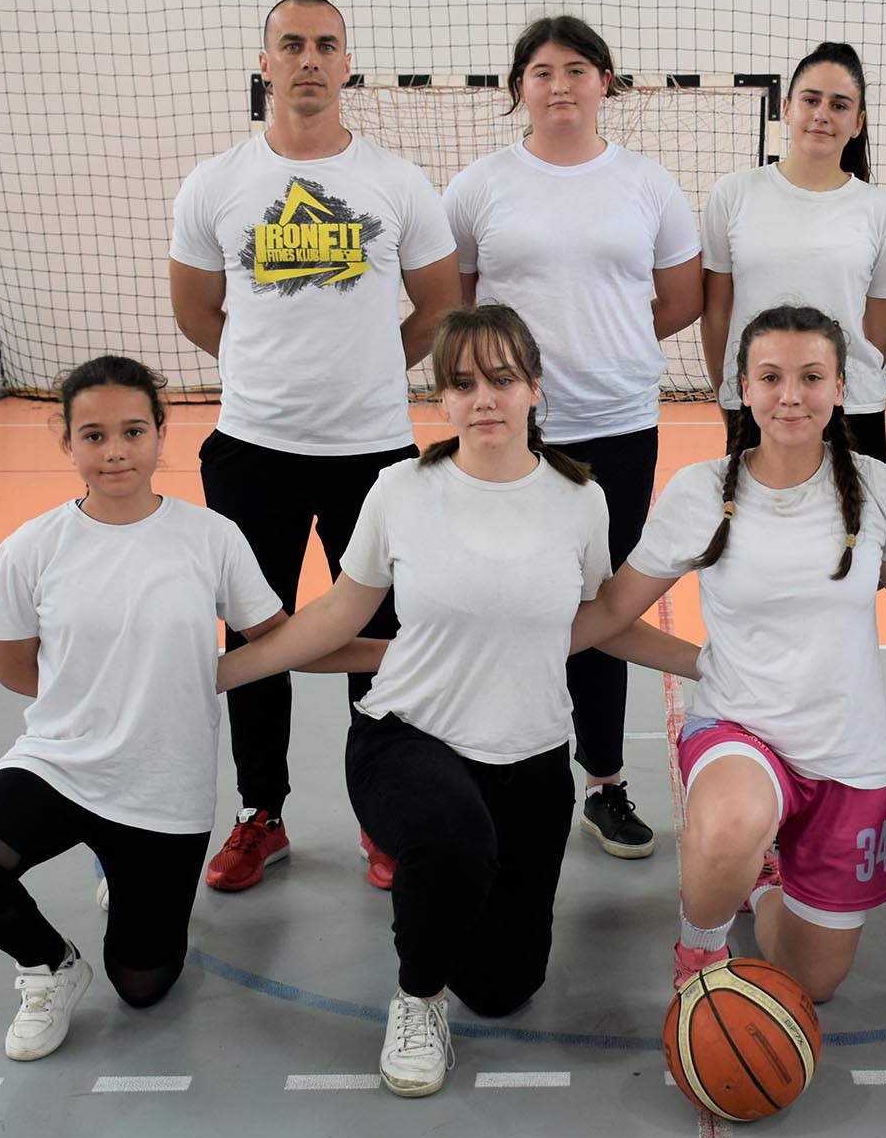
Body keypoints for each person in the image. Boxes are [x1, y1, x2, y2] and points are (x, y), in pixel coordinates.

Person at [215, 305, 700, 1096]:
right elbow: (335, 616)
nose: (484, 399)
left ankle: (445, 916)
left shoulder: (580, 500)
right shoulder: (400, 490)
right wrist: (219, 673)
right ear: (441, 397)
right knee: (450, 833)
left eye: (502, 379)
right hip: (407, 734)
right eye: (463, 383)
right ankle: (417, 1001)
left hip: (529, 755)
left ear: (535, 388)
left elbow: (602, 620)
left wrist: (713, 665)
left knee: (506, 988)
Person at [0, 356, 364, 1061]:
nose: (115, 451)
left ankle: (117, 865)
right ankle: (49, 966)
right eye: (93, 436)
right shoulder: (30, 548)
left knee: (142, 983)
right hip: (61, 763)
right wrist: (107, 696)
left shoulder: (211, 537)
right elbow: (15, 669)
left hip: (163, 786)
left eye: (133, 431)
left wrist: (398, 654)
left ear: (161, 434)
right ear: (68, 443)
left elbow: (281, 643)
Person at [169, 0, 462, 892]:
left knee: (379, 634)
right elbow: (196, 309)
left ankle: (383, 813)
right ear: (265, 64)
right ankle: (261, 813)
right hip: (251, 449)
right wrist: (267, 373)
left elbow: (440, 306)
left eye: (325, 45)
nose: (308, 59)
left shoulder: (398, 182)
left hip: (371, 454)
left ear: (347, 64)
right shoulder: (215, 182)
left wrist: (368, 368)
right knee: (257, 635)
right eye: (291, 45)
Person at [573, 305, 886, 1003]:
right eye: (770, 377)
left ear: (841, 387)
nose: (790, 395)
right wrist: (488, 647)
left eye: (811, 377)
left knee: (813, 983)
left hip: (846, 753)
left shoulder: (881, 490)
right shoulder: (701, 492)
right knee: (730, 824)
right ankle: (699, 956)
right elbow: (612, 615)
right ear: (742, 388)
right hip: (740, 731)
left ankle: (763, 883)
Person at [444, 15, 704, 861]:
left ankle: (603, 783)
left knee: (602, 605)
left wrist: (607, 345)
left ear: (606, 83)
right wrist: (509, 380)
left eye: (578, 69)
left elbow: (680, 297)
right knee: (502, 597)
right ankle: (495, 769)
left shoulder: (646, 183)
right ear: (519, 86)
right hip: (511, 434)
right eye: (543, 70)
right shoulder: (480, 186)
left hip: (618, 424)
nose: (560, 85)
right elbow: (460, 305)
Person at [700, 42, 886, 462]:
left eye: (839, 105)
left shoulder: (882, 212)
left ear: (858, 122)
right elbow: (717, 313)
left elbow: (878, 334)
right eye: (811, 100)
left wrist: (829, 384)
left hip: (852, 409)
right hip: (760, 404)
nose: (822, 114)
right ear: (787, 108)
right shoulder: (733, 194)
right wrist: (732, 396)